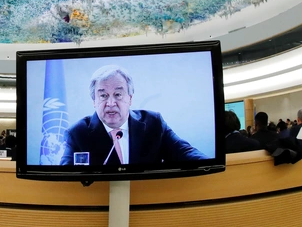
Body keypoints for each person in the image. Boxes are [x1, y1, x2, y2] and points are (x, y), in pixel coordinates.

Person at [60, 65, 206, 166]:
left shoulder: (153, 123)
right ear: (94, 101)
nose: (111, 103)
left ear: (130, 98)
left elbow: (186, 153)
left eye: (118, 94)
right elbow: (64, 178)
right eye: (103, 95)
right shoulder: (78, 133)